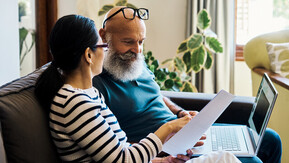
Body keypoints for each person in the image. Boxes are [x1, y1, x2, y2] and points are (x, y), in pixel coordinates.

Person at [34, 14, 240, 163]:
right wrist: (169, 128)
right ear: (89, 55)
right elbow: (123, 160)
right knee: (226, 159)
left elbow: (118, 150)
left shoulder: (86, 95)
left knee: (226, 158)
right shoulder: (75, 104)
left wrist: (163, 161)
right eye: (102, 46)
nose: (105, 52)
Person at [93, 6, 282, 163]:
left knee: (271, 139)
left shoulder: (135, 63)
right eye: (128, 42)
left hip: (184, 134)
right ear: (104, 36)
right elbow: (115, 148)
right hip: (166, 149)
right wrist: (164, 143)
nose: (137, 50)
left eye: (141, 41)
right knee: (253, 160)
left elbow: (157, 95)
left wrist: (180, 113)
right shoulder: (96, 83)